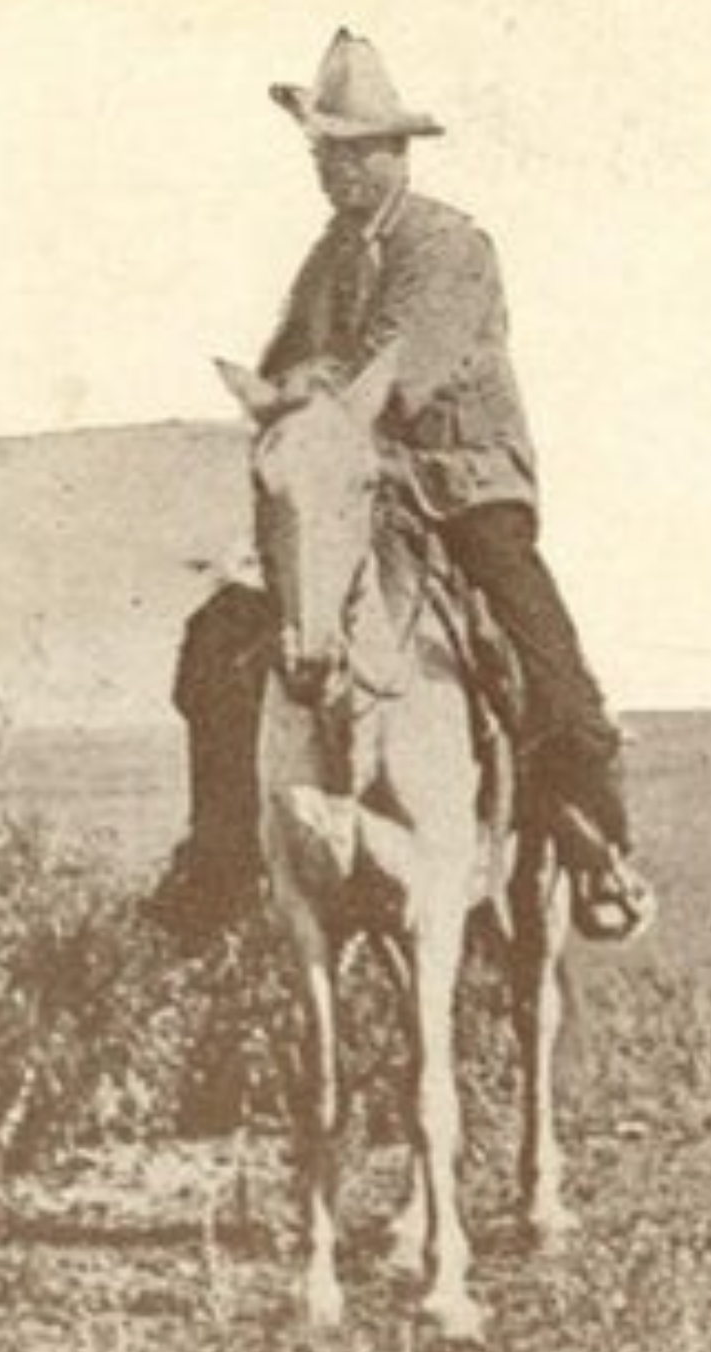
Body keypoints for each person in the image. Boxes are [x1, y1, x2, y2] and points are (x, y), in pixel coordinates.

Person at [151, 32, 654, 948]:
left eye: (351, 150)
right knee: (216, 640)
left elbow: (390, 379)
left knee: (548, 671)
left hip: (463, 490)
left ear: (396, 152)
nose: (334, 168)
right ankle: (220, 852)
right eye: (322, 152)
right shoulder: (329, 257)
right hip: (353, 492)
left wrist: (307, 400)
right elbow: (282, 368)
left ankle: (595, 848)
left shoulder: (448, 246)